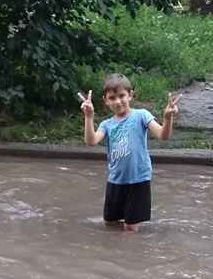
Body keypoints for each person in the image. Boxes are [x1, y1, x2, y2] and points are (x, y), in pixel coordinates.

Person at [78, 73, 182, 232]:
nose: (118, 101)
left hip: (139, 179)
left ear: (130, 95)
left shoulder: (141, 115)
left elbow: (163, 135)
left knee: (130, 226)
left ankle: (132, 254)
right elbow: (91, 141)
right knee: (109, 223)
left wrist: (167, 118)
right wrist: (89, 117)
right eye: (112, 98)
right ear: (106, 101)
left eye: (122, 96)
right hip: (115, 180)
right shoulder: (107, 124)